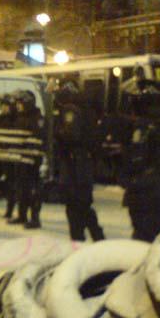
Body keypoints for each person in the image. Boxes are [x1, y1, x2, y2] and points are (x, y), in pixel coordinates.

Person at [120, 80, 160, 242]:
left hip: (144, 190)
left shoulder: (143, 128)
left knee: (142, 236)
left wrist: (125, 177)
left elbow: (136, 159)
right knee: (158, 233)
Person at [52, 81, 105, 241]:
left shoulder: (70, 110)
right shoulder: (85, 109)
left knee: (75, 205)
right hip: (83, 163)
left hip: (74, 164)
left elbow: (70, 135)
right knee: (82, 204)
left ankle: (82, 238)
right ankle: (95, 236)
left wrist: (58, 134)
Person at [8, 90, 45, 229]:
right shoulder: (20, 117)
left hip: (32, 159)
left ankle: (35, 218)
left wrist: (28, 149)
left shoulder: (37, 118)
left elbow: (38, 137)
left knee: (33, 190)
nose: (18, 106)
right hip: (20, 158)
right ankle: (22, 215)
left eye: (20, 103)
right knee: (21, 188)